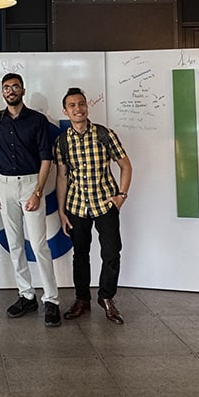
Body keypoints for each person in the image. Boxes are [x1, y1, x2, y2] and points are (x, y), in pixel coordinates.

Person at [0, 72, 62, 327]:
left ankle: (51, 300)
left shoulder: (37, 120)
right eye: (6, 88)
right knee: (15, 244)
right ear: (2, 93)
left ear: (23, 90)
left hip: (31, 183)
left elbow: (46, 159)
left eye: (15, 86)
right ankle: (26, 295)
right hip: (5, 185)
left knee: (39, 244)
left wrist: (38, 191)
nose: (10, 91)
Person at [54, 87, 133, 324]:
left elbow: (126, 166)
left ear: (87, 106)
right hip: (77, 206)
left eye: (81, 104)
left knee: (111, 252)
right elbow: (61, 177)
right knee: (80, 255)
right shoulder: (62, 141)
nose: (78, 109)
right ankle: (82, 299)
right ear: (65, 110)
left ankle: (106, 297)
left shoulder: (104, 134)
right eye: (72, 105)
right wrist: (61, 211)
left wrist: (121, 195)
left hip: (105, 204)